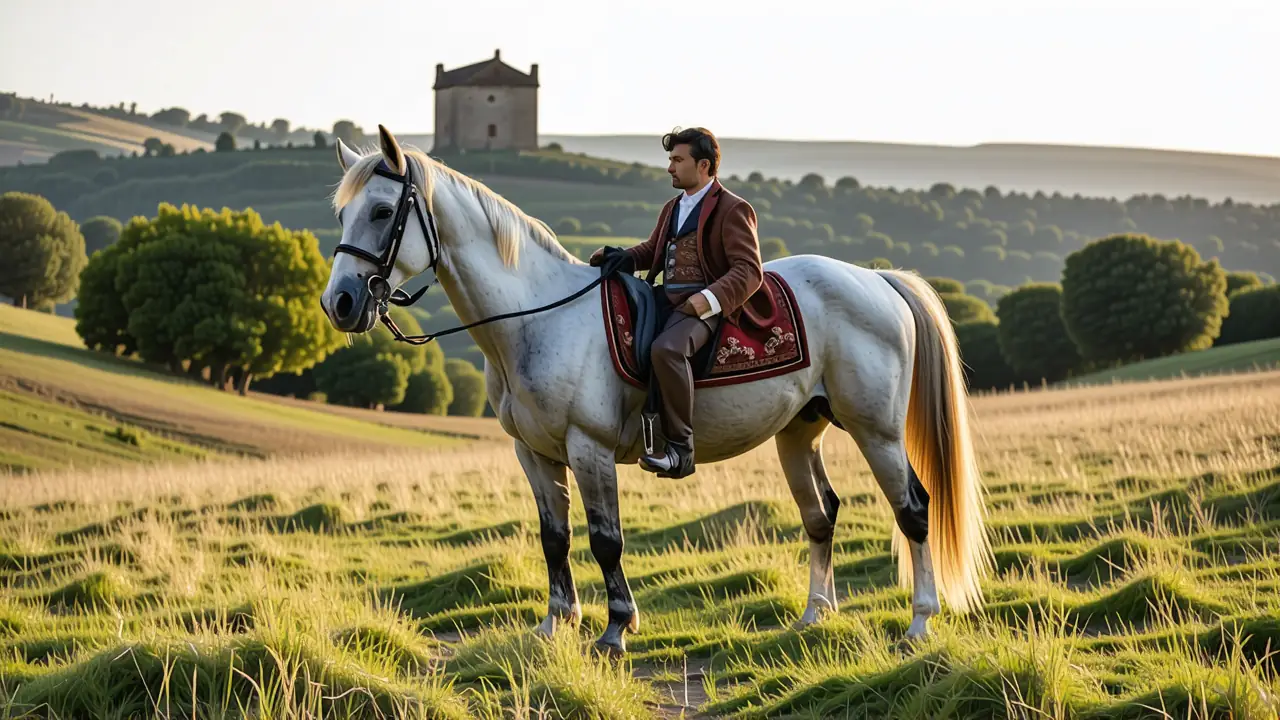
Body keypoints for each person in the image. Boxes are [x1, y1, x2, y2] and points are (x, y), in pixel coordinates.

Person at [591, 127, 764, 478]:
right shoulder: (673, 207)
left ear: (703, 165)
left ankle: (680, 451)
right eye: (670, 160)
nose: (670, 167)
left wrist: (708, 299)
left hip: (706, 310)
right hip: (665, 301)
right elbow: (653, 250)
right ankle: (638, 436)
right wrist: (618, 257)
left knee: (667, 350)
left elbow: (749, 270)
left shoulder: (733, 208)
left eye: (677, 160)